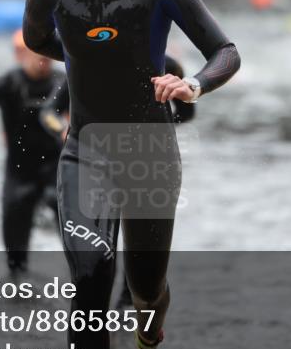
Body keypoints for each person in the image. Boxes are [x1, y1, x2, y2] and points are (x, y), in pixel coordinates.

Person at [23, 0, 240, 349]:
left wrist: (193, 85)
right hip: (85, 152)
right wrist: (83, 55)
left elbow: (226, 51)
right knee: (92, 278)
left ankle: (149, 338)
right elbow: (36, 39)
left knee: (145, 287)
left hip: (149, 154)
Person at [39, 55, 196, 310]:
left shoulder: (164, 65)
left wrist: (159, 124)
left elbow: (187, 113)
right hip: (94, 162)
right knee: (97, 242)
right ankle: (91, 288)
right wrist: (62, 128)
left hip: (142, 162)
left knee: (138, 240)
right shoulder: (85, 60)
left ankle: (126, 301)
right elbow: (48, 112)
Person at [0, 29, 66, 278]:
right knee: (15, 262)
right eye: (36, 52)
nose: (44, 58)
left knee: (78, 249)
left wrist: (72, 132)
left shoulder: (64, 82)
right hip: (19, 173)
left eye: (49, 52)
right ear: (20, 53)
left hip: (56, 172)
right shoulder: (4, 85)